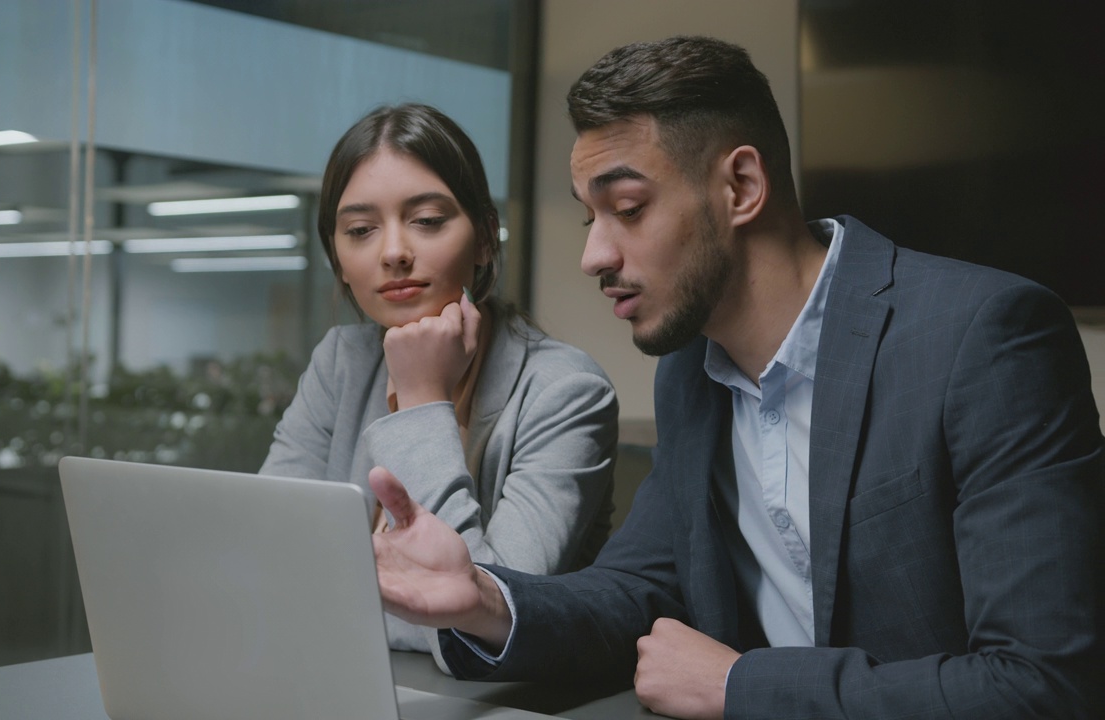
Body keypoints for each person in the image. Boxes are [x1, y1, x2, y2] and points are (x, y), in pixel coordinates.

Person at [368, 36, 1105, 718]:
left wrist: (737, 684)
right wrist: (481, 599)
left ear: (743, 185)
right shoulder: (692, 370)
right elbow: (637, 592)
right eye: (590, 216)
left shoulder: (985, 336)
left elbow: (1042, 684)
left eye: (627, 208)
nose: (594, 255)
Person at [259, 103, 618, 665]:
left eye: (426, 220)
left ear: (482, 240)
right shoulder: (340, 363)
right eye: (360, 230)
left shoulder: (566, 392)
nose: (394, 252)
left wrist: (423, 398)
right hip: (339, 680)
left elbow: (487, 614)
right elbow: (266, 567)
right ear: (337, 256)